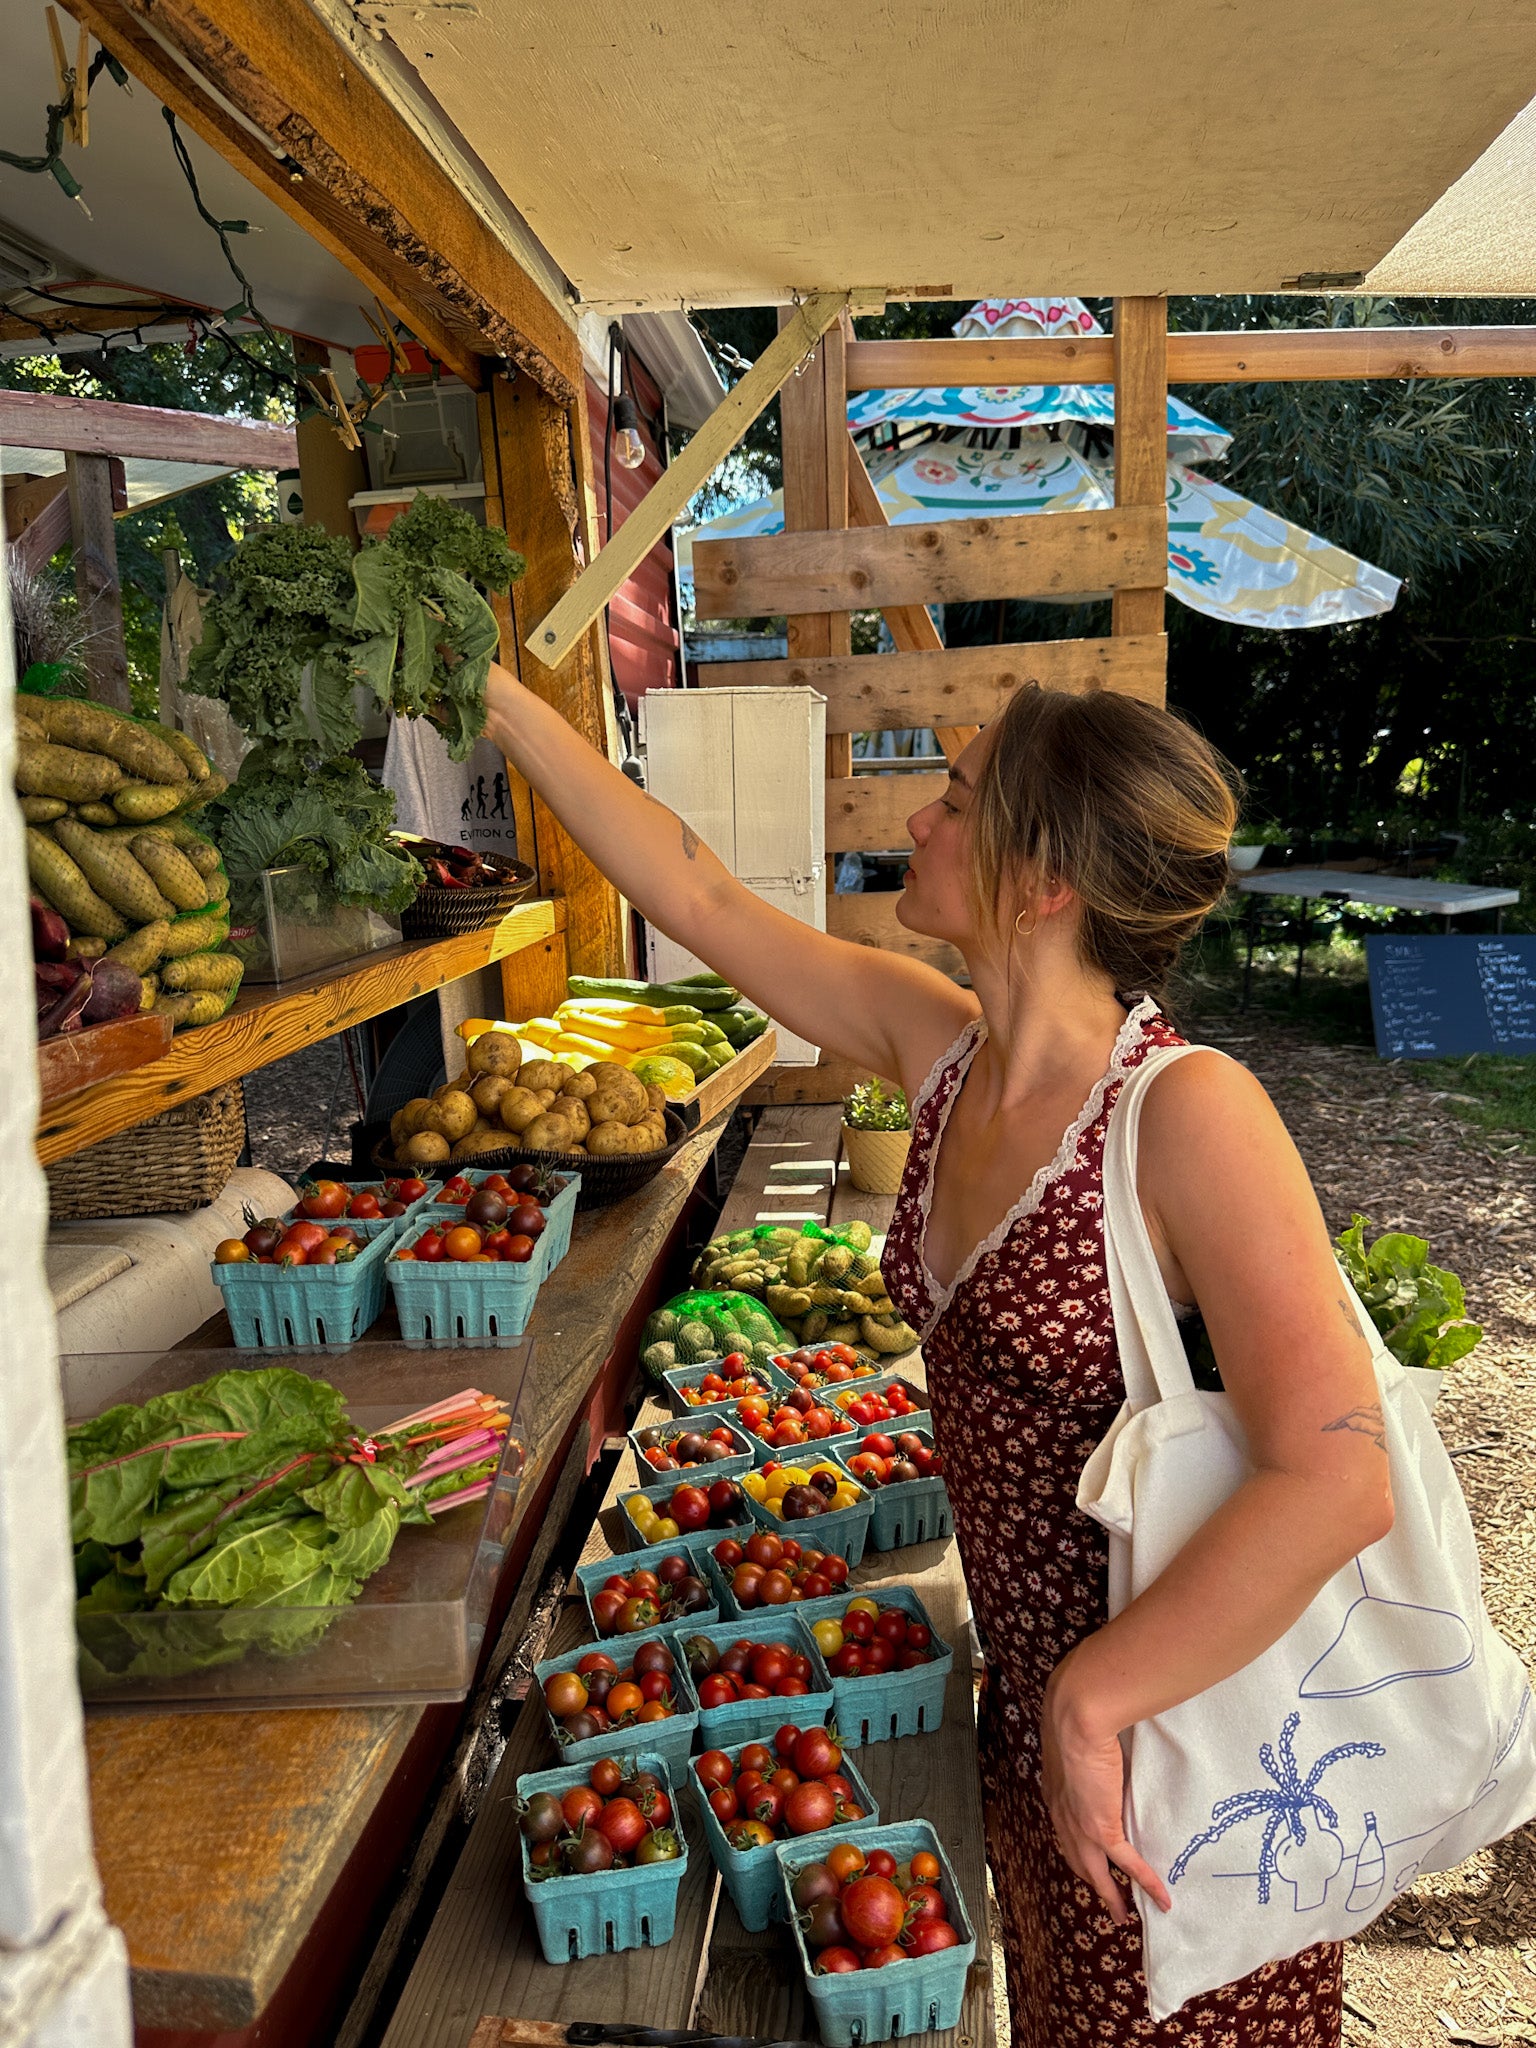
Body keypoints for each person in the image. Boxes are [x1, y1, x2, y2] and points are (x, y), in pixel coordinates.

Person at [484, 663, 1392, 2043]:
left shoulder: (1193, 1113)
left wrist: (1089, 1709)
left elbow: (1337, 1478)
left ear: (1045, 882)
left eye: (960, 801)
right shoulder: (944, 1048)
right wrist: (496, 702)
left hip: (1182, 1738)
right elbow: (702, 895)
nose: (919, 819)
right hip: (1033, 1719)